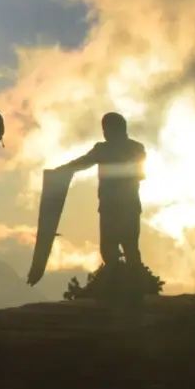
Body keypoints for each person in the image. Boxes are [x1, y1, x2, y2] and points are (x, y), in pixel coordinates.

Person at [53, 112, 147, 274]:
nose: (105, 132)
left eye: (107, 128)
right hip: (123, 206)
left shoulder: (110, 149)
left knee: (117, 248)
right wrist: (63, 170)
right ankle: (127, 284)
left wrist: (62, 170)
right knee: (124, 248)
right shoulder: (135, 148)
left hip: (115, 207)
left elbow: (83, 162)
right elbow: (83, 162)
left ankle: (125, 284)